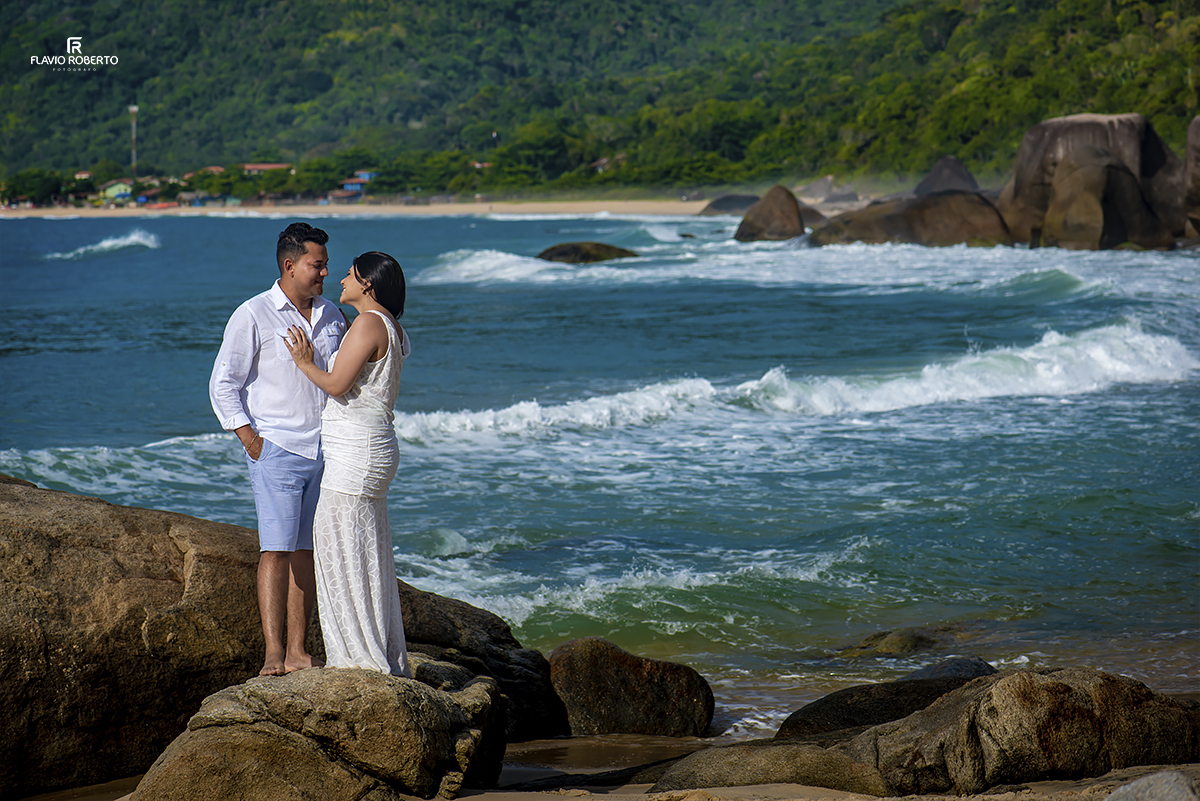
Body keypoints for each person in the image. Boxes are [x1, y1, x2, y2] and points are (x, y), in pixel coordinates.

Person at [209, 222, 347, 676]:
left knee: (307, 550)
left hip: (326, 450)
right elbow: (223, 384)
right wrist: (250, 439)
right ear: (290, 265)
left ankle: (298, 652)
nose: (325, 272)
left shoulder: (332, 315)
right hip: (277, 448)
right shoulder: (253, 314)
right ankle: (272, 654)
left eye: (325, 265)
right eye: (317, 265)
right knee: (276, 549)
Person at [284, 251, 412, 677]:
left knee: (340, 546)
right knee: (366, 548)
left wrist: (305, 362)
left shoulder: (369, 323)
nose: (340, 278)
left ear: (368, 285)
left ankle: (361, 657)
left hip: (357, 451)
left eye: (351, 275)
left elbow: (338, 385)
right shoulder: (391, 327)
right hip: (372, 447)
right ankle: (379, 647)